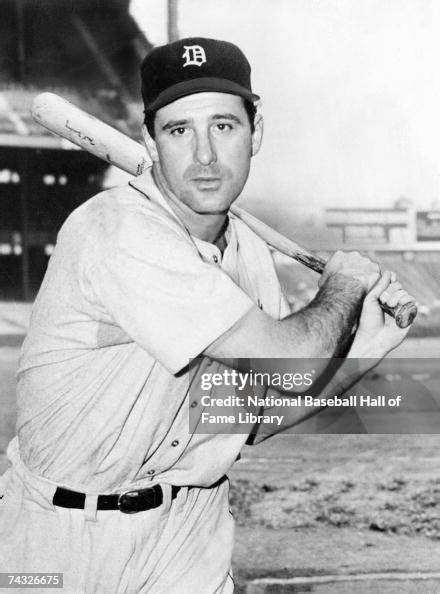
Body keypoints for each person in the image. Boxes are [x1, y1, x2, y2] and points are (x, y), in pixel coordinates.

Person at [0, 37, 414, 593]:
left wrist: (366, 346)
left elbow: (250, 416)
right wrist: (342, 285)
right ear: (150, 140)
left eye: (223, 126)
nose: (204, 157)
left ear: (255, 132)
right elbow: (286, 359)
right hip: (57, 536)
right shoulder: (117, 230)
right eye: (178, 131)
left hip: (186, 534)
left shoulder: (249, 255)